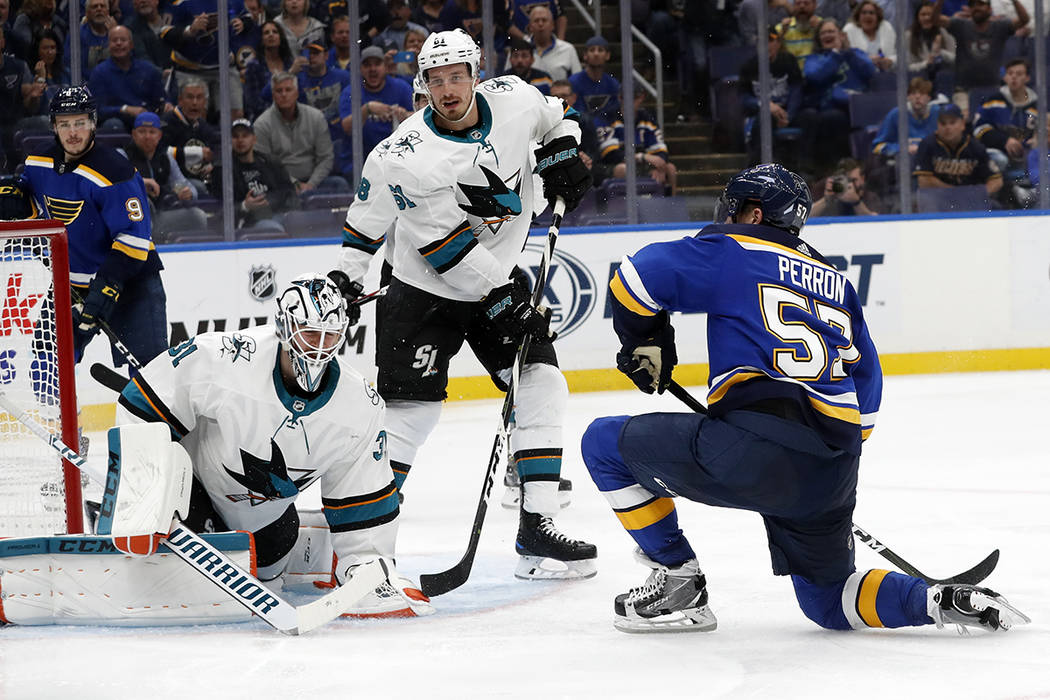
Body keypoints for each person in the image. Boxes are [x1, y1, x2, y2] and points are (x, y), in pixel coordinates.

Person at [579, 162, 1030, 635]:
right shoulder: (837, 281)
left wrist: (646, 340)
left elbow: (632, 279)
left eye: (735, 209)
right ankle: (934, 601)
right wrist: (814, 464)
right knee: (831, 603)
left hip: (748, 450)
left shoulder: (732, 249)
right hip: (832, 470)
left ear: (754, 215)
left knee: (603, 443)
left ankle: (677, 579)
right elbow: (868, 395)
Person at [328, 28, 596, 581]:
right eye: (436, 79)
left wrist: (565, 146)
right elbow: (442, 248)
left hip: (492, 280)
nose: (448, 89)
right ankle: (364, 541)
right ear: (422, 86)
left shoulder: (515, 97)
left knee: (542, 383)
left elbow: (554, 114)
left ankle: (537, 525)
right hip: (423, 291)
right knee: (411, 415)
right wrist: (349, 280)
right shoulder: (405, 158)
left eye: (457, 76)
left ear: (476, 74)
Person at [113, 272, 434, 618]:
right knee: (197, 596)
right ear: (284, 329)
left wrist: (368, 571)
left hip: (267, 521)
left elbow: (363, 503)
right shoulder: (227, 358)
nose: (320, 348)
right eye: (311, 334)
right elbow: (140, 404)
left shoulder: (360, 408)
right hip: (192, 493)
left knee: (270, 565)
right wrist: (146, 496)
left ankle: (305, 549)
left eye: (330, 337)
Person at [16, 86, 167, 368]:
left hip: (131, 284)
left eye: (80, 123)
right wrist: (13, 198)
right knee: (47, 366)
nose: (73, 132)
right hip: (71, 285)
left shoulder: (115, 171)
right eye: (65, 124)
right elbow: (33, 206)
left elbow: (134, 239)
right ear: (54, 126)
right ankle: (56, 414)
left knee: (151, 375)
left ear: (93, 123)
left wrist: (105, 288)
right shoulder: (38, 161)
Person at [800, 19, 875, 172]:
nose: (827, 35)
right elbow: (814, 76)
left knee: (836, 119)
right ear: (819, 39)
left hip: (855, 109)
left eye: (831, 31)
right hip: (826, 108)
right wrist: (835, 55)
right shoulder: (814, 58)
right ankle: (823, 169)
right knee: (821, 118)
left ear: (841, 35)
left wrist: (848, 53)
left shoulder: (855, 54)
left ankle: (849, 169)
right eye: (823, 33)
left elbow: (870, 71)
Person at [254, 71, 341, 195]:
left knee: (339, 184)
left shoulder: (316, 117)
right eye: (279, 91)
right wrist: (294, 183)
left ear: (296, 93)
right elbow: (264, 166)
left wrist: (311, 184)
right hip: (280, 184)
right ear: (273, 95)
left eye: (288, 90)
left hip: (314, 181)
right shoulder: (261, 124)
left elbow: (326, 157)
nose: (284, 94)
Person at [122, 111, 206, 240]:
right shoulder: (123, 155)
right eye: (142, 131)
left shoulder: (166, 158)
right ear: (133, 134)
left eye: (152, 132)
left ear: (159, 135)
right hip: (131, 218)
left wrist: (187, 193)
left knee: (198, 216)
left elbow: (182, 184)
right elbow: (111, 186)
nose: (147, 136)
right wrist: (139, 183)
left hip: (160, 217)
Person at [209, 117, 296, 230]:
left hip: (277, 215)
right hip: (248, 222)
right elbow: (220, 210)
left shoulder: (271, 163)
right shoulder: (222, 170)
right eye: (235, 136)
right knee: (270, 227)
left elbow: (289, 193)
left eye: (245, 135)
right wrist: (245, 206)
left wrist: (270, 202)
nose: (240, 140)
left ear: (254, 139)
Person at [739, 27, 804, 169]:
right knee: (765, 120)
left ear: (778, 43)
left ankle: (807, 169)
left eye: (770, 40)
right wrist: (766, 105)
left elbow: (796, 91)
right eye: (761, 41)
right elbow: (744, 98)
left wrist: (789, 116)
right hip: (762, 113)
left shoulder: (789, 61)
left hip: (787, 112)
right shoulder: (748, 66)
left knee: (811, 116)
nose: (766, 45)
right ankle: (760, 169)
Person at [336, 45, 412, 163]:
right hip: (359, 161)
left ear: (385, 67)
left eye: (377, 64)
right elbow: (347, 128)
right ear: (360, 69)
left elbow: (421, 116)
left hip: (397, 159)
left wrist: (406, 115)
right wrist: (367, 109)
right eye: (367, 65)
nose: (372, 69)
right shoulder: (351, 92)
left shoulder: (401, 87)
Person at [600, 86, 678, 196]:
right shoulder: (608, 117)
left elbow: (661, 151)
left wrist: (658, 167)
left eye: (635, 98)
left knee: (670, 168)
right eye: (627, 98)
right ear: (620, 98)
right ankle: (623, 209)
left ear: (641, 98)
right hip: (611, 165)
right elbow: (611, 155)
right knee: (624, 169)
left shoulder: (647, 118)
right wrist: (642, 157)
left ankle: (670, 208)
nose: (631, 102)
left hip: (640, 164)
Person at [88, 26, 169, 131]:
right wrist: (125, 109)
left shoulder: (148, 70)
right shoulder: (99, 73)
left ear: (131, 45)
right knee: (113, 125)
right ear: (108, 45)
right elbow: (97, 110)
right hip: (116, 122)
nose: (118, 43)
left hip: (147, 119)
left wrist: (167, 105)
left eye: (123, 40)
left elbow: (161, 99)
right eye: (114, 40)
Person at [942, 0, 1027, 98]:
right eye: (973, 5)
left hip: (992, 87)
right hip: (964, 88)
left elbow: (1024, 20)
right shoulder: (961, 25)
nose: (977, 8)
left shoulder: (999, 26)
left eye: (981, 4)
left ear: (990, 9)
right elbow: (935, 19)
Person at [915, 103, 1003, 196]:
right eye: (943, 123)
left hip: (971, 201)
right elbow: (924, 181)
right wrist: (956, 193)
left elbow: (996, 180)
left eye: (952, 122)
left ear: (962, 125)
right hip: (937, 199)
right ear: (937, 125)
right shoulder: (928, 144)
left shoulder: (976, 147)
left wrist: (979, 194)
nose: (948, 127)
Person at [972, 58, 1038, 175]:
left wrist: (1037, 140)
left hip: (1027, 156)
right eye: (1010, 73)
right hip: (997, 153)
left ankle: (1030, 191)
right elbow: (978, 129)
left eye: (1019, 74)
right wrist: (1004, 141)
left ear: (1027, 78)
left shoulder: (1037, 107)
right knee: (998, 160)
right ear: (1005, 77)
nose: (1013, 77)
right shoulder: (992, 101)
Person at [163, 78, 219, 193]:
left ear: (205, 102)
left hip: (199, 178)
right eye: (189, 97)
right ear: (180, 100)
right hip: (175, 181)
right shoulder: (167, 122)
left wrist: (213, 164)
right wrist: (197, 153)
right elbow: (160, 152)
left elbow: (218, 147)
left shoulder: (202, 125)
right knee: (199, 188)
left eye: (199, 98)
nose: (194, 102)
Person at [872, 76, 942, 161]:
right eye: (913, 93)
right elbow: (878, 146)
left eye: (922, 93)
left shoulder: (938, 113)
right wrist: (902, 149)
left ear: (929, 98)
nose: (917, 97)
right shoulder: (896, 114)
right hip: (903, 162)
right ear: (908, 97)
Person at [569, 36, 621, 128]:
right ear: (585, 55)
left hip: (607, 131)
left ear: (607, 55)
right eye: (592, 50)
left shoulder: (613, 84)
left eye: (600, 50)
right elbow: (575, 112)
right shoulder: (574, 82)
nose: (596, 54)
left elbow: (614, 112)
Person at [810, 157, 881, 216]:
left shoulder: (870, 197)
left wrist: (857, 203)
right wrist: (826, 200)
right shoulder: (826, 191)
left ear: (862, 178)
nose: (850, 185)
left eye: (853, 180)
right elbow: (804, 218)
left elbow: (876, 224)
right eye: (845, 181)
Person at [905, 1, 955, 83]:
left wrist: (941, 53)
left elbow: (955, 59)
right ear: (917, 17)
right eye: (923, 14)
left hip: (944, 80)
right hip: (919, 81)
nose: (927, 18)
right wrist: (926, 63)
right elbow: (908, 67)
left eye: (930, 14)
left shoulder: (945, 32)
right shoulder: (908, 36)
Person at [527, 5, 579, 82]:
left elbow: (577, 81)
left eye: (544, 20)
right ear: (530, 26)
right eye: (536, 20)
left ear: (552, 25)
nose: (540, 24)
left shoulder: (568, 49)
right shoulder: (519, 49)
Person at [843, 0, 895, 71]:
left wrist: (890, 61)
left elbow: (900, 55)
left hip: (887, 75)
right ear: (858, 16)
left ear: (877, 17)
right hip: (859, 76)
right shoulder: (849, 30)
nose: (868, 15)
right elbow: (846, 58)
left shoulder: (887, 27)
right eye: (864, 13)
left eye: (871, 13)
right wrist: (867, 60)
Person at [779, 0, 822, 68]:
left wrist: (819, 30)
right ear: (793, 6)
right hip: (792, 76)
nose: (802, 6)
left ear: (814, 5)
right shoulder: (783, 27)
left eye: (806, 3)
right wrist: (781, 35)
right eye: (798, 3)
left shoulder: (823, 25)